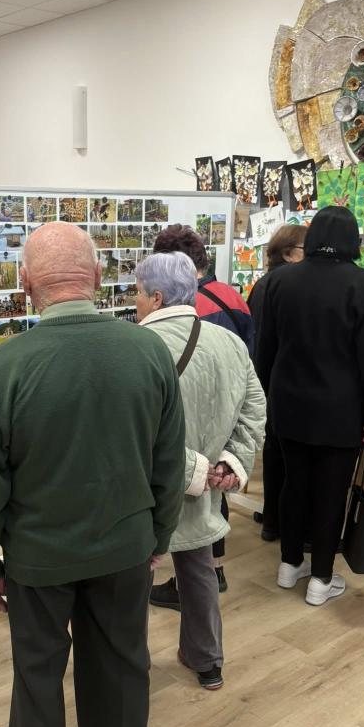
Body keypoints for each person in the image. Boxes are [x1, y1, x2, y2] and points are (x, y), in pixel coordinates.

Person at [0, 222, 185, 727]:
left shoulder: (2, 369)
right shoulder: (148, 354)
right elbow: (169, 463)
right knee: (123, 660)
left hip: (39, 558)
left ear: (27, 282)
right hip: (125, 547)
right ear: (98, 276)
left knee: (38, 676)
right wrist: (158, 536)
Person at [136, 252, 265, 690]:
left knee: (135, 578)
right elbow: (255, 408)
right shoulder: (229, 343)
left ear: (156, 298)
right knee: (198, 570)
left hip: (146, 490)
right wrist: (230, 463)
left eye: (138, 292)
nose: (135, 301)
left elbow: (133, 431)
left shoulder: (137, 347)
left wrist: (195, 468)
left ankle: (132, 664)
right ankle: (206, 660)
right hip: (206, 487)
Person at [255, 207, 364, 606]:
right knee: (331, 492)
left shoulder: (279, 280)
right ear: (353, 239)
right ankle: (321, 579)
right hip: (340, 408)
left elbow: (265, 350)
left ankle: (289, 564)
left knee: (293, 484)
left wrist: (264, 400)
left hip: (287, 403)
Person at [150, 222, 253, 603]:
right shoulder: (232, 295)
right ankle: (215, 569)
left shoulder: (191, 310)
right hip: (228, 409)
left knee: (193, 504)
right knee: (215, 491)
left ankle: (193, 578)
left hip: (190, 422)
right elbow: (249, 355)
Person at [246, 224, 307, 542]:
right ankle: (281, 522)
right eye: (305, 250)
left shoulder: (263, 284)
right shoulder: (287, 285)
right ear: (288, 253)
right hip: (281, 382)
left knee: (275, 452)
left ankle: (272, 519)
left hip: (265, 378)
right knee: (286, 455)